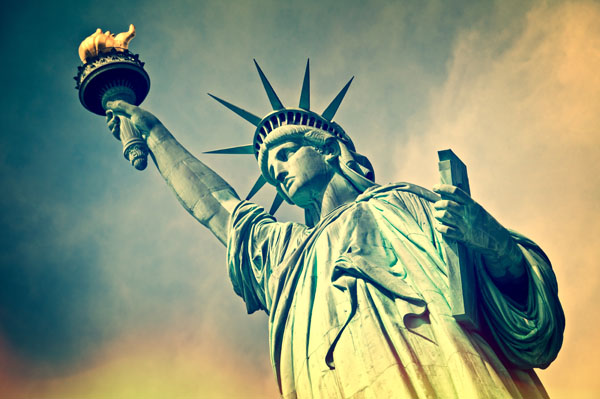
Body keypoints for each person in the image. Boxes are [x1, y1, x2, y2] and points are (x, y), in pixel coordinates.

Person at [105, 73, 564, 398]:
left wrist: (494, 243)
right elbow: (217, 209)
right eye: (268, 168)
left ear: (329, 150)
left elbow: (530, 319)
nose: (276, 171)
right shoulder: (288, 256)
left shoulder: (410, 203)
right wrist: (153, 133)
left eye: (284, 153)